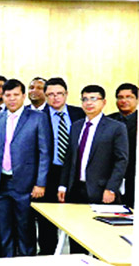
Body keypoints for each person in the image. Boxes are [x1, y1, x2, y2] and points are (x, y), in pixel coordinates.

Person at [0, 79, 50, 257]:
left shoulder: (38, 118)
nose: (12, 99)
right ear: (2, 96)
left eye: (15, 95)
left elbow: (44, 153)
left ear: (23, 96)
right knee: (4, 229)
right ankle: (8, 260)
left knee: (25, 229)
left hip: (25, 184)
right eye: (8, 95)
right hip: (0, 184)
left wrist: (40, 183)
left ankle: (27, 260)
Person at [58, 85, 129, 253]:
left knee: (101, 238)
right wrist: (63, 185)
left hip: (102, 190)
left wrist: (111, 188)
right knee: (76, 235)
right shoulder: (76, 126)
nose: (88, 103)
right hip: (76, 189)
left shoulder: (116, 127)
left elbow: (121, 160)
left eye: (93, 99)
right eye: (85, 99)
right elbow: (69, 159)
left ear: (103, 102)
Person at [37, 77, 85, 255]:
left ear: (66, 94)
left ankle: (78, 256)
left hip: (74, 174)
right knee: (46, 220)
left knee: (76, 219)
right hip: (48, 173)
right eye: (50, 94)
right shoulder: (37, 117)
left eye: (59, 94)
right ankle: (47, 255)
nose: (55, 98)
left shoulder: (79, 113)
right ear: (45, 96)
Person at [108, 83, 137, 207]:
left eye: (129, 97)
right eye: (120, 97)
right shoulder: (108, 121)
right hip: (109, 178)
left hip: (134, 177)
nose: (124, 101)